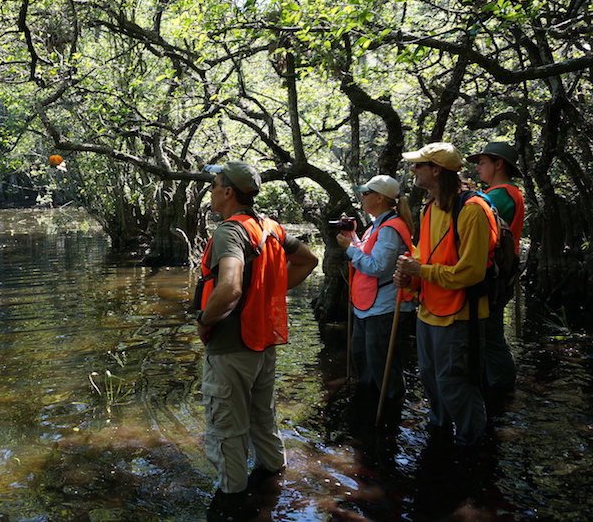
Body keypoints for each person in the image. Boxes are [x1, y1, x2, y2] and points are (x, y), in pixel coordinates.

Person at [194, 160, 318, 519]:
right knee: (263, 418)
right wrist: (270, 294)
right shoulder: (272, 228)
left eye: (215, 184)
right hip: (263, 344)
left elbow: (230, 286)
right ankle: (272, 481)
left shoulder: (229, 233)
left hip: (231, 347)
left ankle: (232, 500)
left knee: (227, 431)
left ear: (229, 191)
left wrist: (205, 318)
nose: (212, 190)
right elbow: (308, 261)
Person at [394, 142, 496, 450]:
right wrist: (410, 277)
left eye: (419, 166)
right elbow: (424, 257)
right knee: (430, 379)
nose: (413, 170)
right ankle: (439, 437)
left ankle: (473, 447)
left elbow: (471, 273)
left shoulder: (472, 211)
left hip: (460, 315)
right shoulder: (428, 208)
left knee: (454, 384)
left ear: (436, 170)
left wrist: (421, 271)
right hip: (429, 311)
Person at [336, 175, 414, 401]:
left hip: (384, 307)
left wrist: (349, 250)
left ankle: (390, 406)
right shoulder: (375, 226)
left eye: (366, 193)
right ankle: (369, 402)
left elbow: (378, 266)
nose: (362, 197)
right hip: (368, 306)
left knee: (381, 363)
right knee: (362, 355)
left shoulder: (390, 228)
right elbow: (367, 251)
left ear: (380, 198)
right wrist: (351, 238)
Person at [469, 141, 523, 395]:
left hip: (494, 275)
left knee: (490, 335)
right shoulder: (504, 192)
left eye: (482, 162)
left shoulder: (502, 193)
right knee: (489, 334)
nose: (477, 168)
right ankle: (495, 388)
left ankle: (501, 391)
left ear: (498, 164)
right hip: (499, 274)